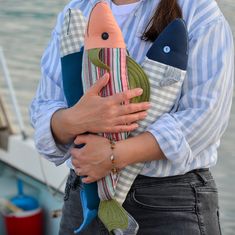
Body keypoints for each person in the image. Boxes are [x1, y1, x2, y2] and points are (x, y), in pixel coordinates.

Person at [30, 0, 234, 234]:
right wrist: (75, 119)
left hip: (168, 205)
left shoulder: (198, 9)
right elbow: (43, 107)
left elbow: (206, 117)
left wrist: (115, 155)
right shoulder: (76, 10)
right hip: (85, 198)